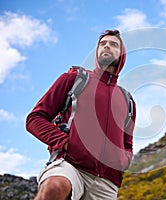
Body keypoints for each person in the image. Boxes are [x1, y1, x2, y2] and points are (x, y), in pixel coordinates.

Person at [26, 29, 136, 200]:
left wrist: (123, 160)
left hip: (107, 182)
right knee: (53, 188)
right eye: (102, 44)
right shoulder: (75, 79)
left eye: (113, 44)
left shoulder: (127, 100)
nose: (106, 46)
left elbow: (127, 144)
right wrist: (65, 143)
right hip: (70, 164)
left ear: (122, 55)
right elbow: (34, 119)